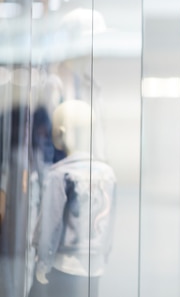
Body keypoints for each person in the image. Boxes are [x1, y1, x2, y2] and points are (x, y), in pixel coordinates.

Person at [29, 100, 116, 297]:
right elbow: (110, 220)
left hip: (63, 265)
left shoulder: (59, 174)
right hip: (94, 266)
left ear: (61, 132)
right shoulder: (108, 174)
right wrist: (104, 253)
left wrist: (43, 262)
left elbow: (50, 224)